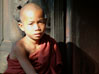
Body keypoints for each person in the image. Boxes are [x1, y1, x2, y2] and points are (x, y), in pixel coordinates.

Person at [4, 3, 62, 74]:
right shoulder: (20, 46)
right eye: (31, 24)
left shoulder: (49, 42)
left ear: (45, 21)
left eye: (40, 22)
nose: (37, 28)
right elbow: (31, 72)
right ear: (21, 26)